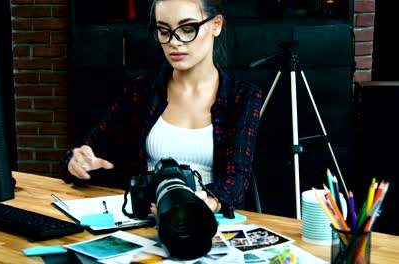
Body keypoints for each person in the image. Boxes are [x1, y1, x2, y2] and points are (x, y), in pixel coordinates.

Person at [59, 0, 262, 214]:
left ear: (216, 25)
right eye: (164, 31)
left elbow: (238, 178)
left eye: (187, 29)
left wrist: (209, 201)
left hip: (210, 221)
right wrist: (76, 161)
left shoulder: (242, 96)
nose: (174, 42)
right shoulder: (141, 91)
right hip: (147, 219)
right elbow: (84, 150)